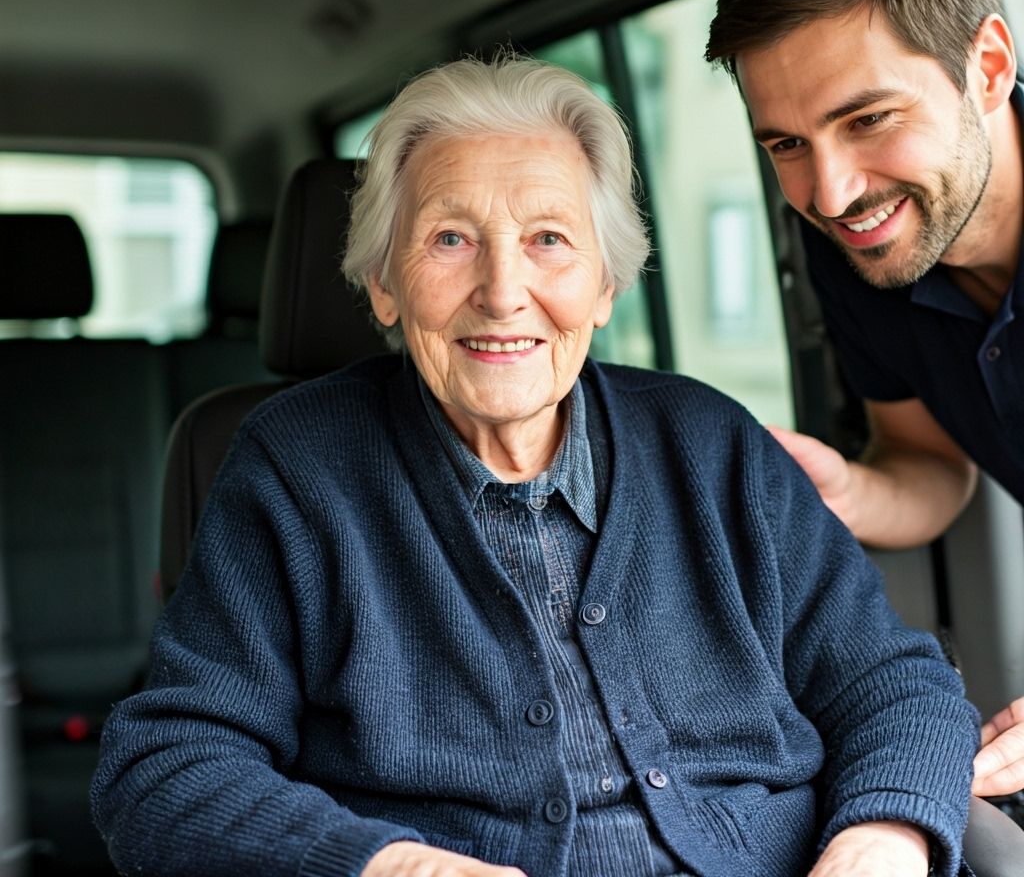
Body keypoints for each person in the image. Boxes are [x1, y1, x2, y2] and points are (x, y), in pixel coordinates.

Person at [91, 55, 978, 877]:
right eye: (451, 239)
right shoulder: (296, 468)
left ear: (605, 285)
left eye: (549, 238)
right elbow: (165, 770)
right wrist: (388, 864)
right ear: (385, 284)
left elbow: (892, 682)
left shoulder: (711, 442)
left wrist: (882, 837)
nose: (503, 292)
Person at [705, 0, 1024, 801]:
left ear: (988, 67)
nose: (832, 193)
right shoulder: (858, 249)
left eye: (868, 119)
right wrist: (848, 494)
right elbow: (930, 460)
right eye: (785, 144)